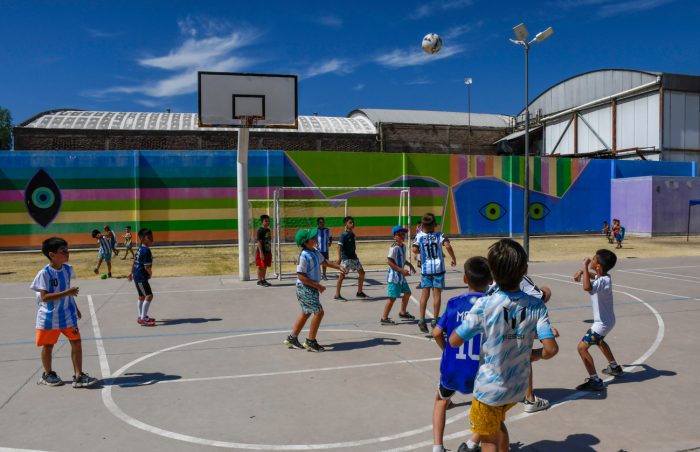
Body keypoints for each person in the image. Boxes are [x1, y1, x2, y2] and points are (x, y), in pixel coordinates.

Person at [449, 239, 558, 452]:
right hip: (516, 387)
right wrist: (535, 353)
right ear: (524, 269)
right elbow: (551, 349)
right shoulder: (536, 305)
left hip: (489, 389)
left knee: (489, 440)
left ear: (492, 273)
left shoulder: (485, 304)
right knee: (497, 424)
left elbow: (455, 340)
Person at [431, 256, 491, 452]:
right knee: (492, 408)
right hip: (481, 371)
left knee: (441, 401)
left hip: (453, 368)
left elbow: (437, 332)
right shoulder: (493, 305)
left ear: (465, 279)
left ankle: (437, 447)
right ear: (490, 280)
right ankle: (473, 442)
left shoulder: (454, 303)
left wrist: (447, 351)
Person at [31, 237, 98, 388]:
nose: (67, 253)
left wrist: (75, 308)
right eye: (63, 251)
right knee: (48, 346)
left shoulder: (68, 269)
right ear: (52, 254)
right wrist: (67, 292)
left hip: (67, 315)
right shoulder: (45, 273)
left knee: (76, 343)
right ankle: (48, 374)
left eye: (67, 250)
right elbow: (44, 297)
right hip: (49, 317)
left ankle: (79, 375)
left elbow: (68, 291)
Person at [485, 274, 556, 413]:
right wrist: (547, 291)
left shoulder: (489, 277)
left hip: (492, 328)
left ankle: (448, 391)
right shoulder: (519, 277)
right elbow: (541, 296)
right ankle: (529, 399)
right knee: (523, 351)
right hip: (513, 322)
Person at [284, 228, 348, 352]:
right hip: (305, 287)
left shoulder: (314, 251)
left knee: (306, 312)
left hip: (310, 287)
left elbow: (324, 262)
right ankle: (310, 341)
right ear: (305, 242)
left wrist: (339, 266)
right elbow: (301, 276)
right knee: (319, 312)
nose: (315, 238)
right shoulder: (304, 256)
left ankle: (292, 338)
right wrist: (317, 286)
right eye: (312, 238)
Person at [573, 249, 623, 391]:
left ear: (598, 266)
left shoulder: (602, 281)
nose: (591, 260)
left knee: (582, 348)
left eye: (593, 259)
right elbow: (595, 277)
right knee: (599, 341)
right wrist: (583, 272)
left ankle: (595, 380)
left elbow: (587, 287)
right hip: (608, 321)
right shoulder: (605, 278)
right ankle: (614, 367)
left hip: (602, 324)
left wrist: (584, 266)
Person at [412, 213, 457, 333]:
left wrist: (421, 252)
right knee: (436, 294)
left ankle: (421, 319)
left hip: (426, 269)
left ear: (422, 225)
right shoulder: (439, 235)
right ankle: (435, 319)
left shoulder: (419, 236)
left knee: (424, 294)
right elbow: (447, 245)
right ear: (435, 225)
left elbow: (414, 249)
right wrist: (453, 258)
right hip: (438, 269)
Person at [380, 226, 417, 325]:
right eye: (400, 234)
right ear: (394, 236)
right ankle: (384, 318)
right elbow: (389, 262)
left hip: (401, 276)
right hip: (394, 277)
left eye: (403, 234)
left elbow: (402, 260)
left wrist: (410, 265)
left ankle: (402, 312)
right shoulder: (393, 247)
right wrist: (401, 270)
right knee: (392, 298)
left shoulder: (403, 246)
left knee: (407, 293)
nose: (402, 236)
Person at [334, 216, 367, 301]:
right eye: (350, 222)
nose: (352, 224)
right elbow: (339, 246)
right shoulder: (344, 235)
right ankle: (337, 295)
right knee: (342, 276)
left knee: (362, 273)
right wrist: (339, 258)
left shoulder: (352, 234)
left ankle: (359, 292)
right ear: (346, 224)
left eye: (353, 222)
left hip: (354, 258)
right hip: (347, 259)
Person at [128, 228, 156, 326]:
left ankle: (141, 316)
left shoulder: (140, 248)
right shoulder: (146, 250)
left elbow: (134, 261)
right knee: (149, 296)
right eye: (149, 237)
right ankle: (143, 318)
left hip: (137, 275)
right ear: (143, 238)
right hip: (141, 276)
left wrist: (131, 273)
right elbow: (146, 266)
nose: (152, 239)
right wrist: (150, 273)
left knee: (141, 296)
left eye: (152, 236)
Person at [256, 214, 273, 287]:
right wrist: (261, 253)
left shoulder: (268, 230)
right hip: (262, 251)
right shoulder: (260, 230)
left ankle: (263, 279)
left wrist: (269, 250)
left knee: (265, 266)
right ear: (262, 222)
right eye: (266, 221)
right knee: (261, 266)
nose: (267, 222)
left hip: (267, 250)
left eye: (268, 221)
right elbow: (259, 242)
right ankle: (259, 280)